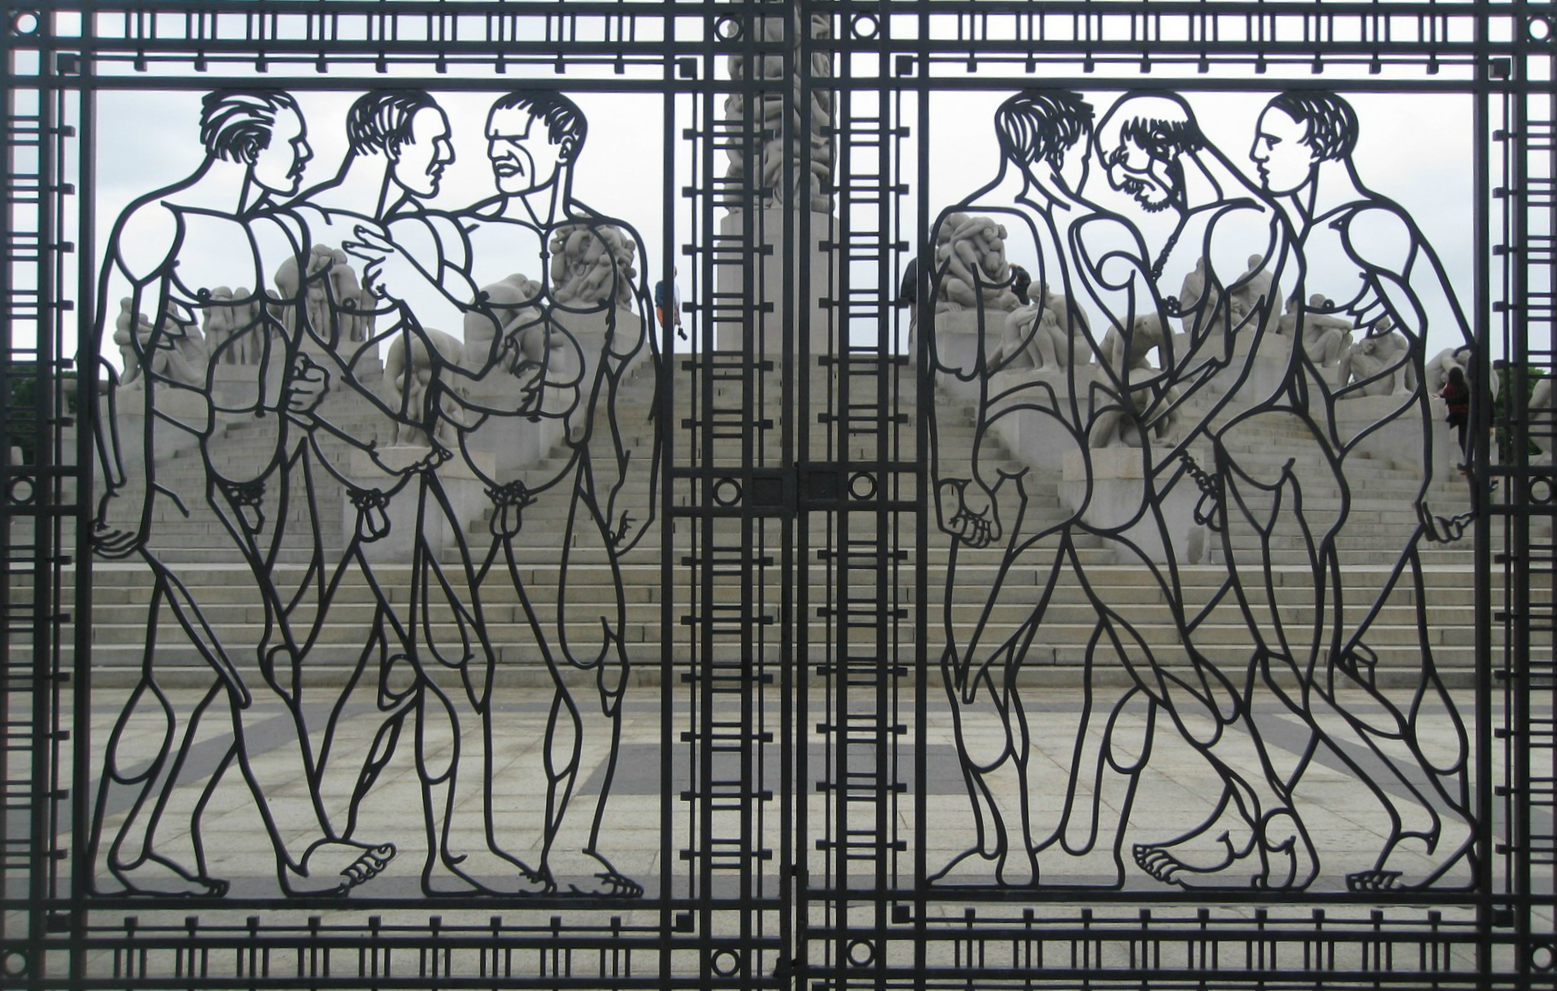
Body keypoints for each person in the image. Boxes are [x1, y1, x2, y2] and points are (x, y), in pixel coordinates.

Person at [88, 89, 395, 897]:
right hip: (177, 493)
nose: (306, 159)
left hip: (233, 487)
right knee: (249, 668)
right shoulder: (163, 223)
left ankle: (137, 848)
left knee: (193, 686)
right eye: (295, 144)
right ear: (250, 144)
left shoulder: (267, 234)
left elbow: (268, 383)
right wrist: (121, 490)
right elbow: (139, 366)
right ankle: (300, 850)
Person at [1240, 88, 1475, 891]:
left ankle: (1423, 821)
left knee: (1327, 662)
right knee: (1291, 662)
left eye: (1271, 140)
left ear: (1317, 143)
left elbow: (1419, 343)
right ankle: (1285, 824)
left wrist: (1427, 480)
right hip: (1317, 479)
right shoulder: (1308, 230)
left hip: (1354, 476)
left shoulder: (1365, 225)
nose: (1257, 154)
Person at [1441, 365, 1471, 464]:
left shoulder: (1449, 389)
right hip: (1466, 415)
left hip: (1455, 414)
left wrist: (1440, 396)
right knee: (1463, 439)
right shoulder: (1465, 387)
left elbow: (1445, 400)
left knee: (1441, 429)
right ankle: (1468, 460)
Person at [654, 265, 685, 340]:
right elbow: (658, 298)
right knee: (667, 329)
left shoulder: (675, 287)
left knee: (671, 331)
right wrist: (667, 307)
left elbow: (677, 302)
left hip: (673, 310)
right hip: (663, 309)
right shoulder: (660, 284)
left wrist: (676, 313)